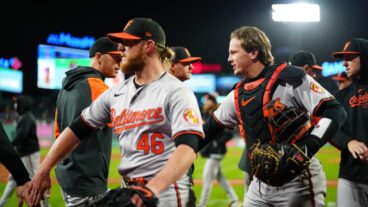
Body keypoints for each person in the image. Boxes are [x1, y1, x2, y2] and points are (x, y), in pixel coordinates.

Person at [29, 18, 204, 207]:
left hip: (165, 193)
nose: (121, 49)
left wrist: (152, 189)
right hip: (129, 192)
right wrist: (43, 169)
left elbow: (188, 148)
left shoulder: (176, 91)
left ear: (149, 46)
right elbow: (76, 129)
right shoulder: (116, 93)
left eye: (127, 42)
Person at [199, 26, 346, 206]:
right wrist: (181, 155)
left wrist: (307, 148)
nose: (229, 58)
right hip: (259, 184)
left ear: (253, 53)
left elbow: (335, 111)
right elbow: (207, 131)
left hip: (298, 181)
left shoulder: (290, 79)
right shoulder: (237, 94)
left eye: (233, 52)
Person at [53, 37, 122, 206]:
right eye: (116, 58)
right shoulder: (98, 88)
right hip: (86, 179)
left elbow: (57, 132)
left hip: (66, 175)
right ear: (99, 57)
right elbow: (126, 122)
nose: (119, 64)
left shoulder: (66, 87)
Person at [330, 38, 368, 207]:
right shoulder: (340, 96)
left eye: (350, 57)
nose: (344, 63)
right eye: (343, 58)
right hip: (349, 177)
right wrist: (349, 141)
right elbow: (329, 129)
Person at [0, 96, 49, 207]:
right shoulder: (24, 116)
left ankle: (45, 204)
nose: (15, 105)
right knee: (23, 179)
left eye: (17, 103)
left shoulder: (26, 117)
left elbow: (21, 136)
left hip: (29, 153)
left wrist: (10, 145)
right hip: (25, 153)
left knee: (36, 178)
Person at [169, 46, 201, 207]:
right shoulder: (178, 92)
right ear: (172, 65)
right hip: (174, 181)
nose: (192, 67)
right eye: (186, 63)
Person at [197, 93, 240, 207]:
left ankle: (202, 204)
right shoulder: (207, 114)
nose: (207, 102)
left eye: (209, 100)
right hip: (212, 152)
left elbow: (229, 133)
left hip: (217, 152)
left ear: (213, 101)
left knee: (207, 178)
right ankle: (235, 200)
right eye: (206, 100)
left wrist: (217, 142)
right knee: (220, 178)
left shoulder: (219, 112)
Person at [0, 121, 32, 206]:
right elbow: (3, 146)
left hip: (25, 153)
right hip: (24, 155)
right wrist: (22, 179)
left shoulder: (24, 119)